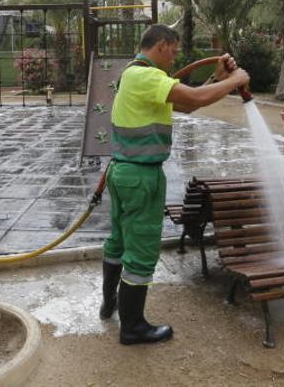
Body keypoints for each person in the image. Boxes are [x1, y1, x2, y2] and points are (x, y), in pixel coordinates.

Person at [100, 24, 250, 345]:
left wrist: (219, 80)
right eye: (175, 51)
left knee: (118, 242)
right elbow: (194, 96)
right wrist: (236, 81)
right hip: (141, 177)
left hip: (123, 173)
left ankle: (109, 304)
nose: (175, 58)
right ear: (164, 45)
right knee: (140, 251)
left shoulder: (134, 74)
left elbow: (189, 104)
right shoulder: (146, 76)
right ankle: (133, 327)